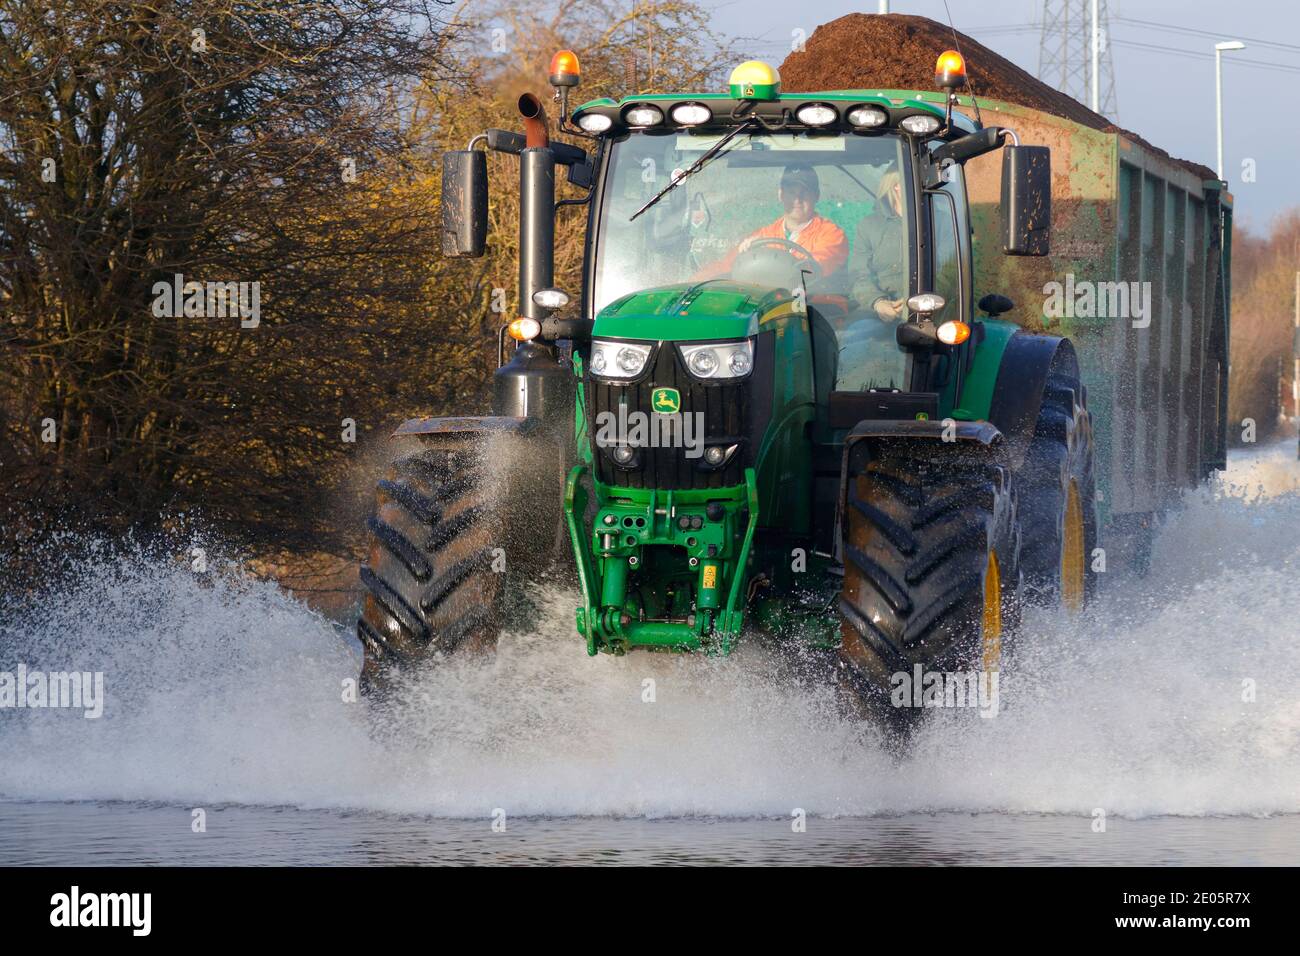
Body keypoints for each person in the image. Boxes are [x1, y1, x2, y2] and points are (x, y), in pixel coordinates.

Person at [701, 165, 848, 279]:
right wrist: (691, 284)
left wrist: (763, 257)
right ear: (780, 195)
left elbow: (814, 269)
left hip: (819, 307)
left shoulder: (832, 234)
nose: (797, 199)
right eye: (791, 193)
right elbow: (726, 266)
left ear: (816, 196)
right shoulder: (763, 236)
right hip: (771, 308)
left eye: (804, 193)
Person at [848, 168, 907, 321]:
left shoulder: (940, 221)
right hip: (877, 313)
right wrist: (878, 302)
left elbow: (950, 271)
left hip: (931, 307)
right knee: (854, 341)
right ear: (895, 185)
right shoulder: (869, 226)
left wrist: (915, 301)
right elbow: (859, 275)